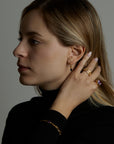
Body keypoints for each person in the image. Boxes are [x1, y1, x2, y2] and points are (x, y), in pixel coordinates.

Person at [2, 0, 114, 143]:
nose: (17, 51)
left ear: (74, 53)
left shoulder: (105, 123)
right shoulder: (20, 115)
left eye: (34, 41)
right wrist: (62, 108)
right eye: (20, 39)